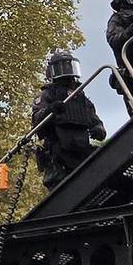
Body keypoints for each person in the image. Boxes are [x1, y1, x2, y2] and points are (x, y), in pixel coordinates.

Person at [29, 50, 106, 189]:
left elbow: (95, 119)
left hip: (82, 151)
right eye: (62, 66)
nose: (66, 70)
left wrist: (98, 129)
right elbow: (36, 123)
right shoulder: (47, 95)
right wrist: (50, 109)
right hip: (58, 153)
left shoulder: (80, 97)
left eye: (69, 66)